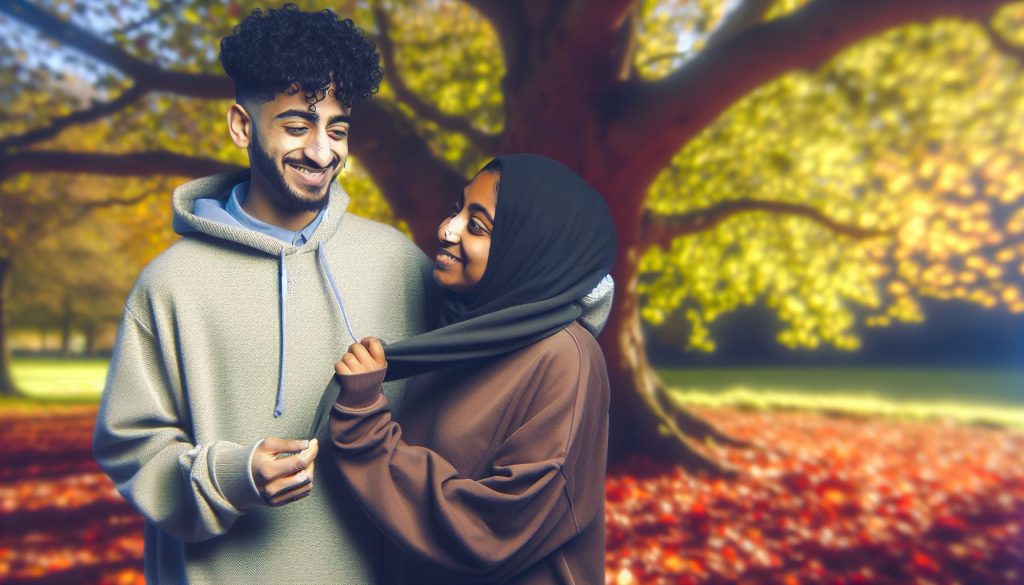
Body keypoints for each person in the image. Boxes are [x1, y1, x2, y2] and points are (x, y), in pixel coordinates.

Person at [92, 5, 432, 583]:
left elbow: (497, 345)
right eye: (297, 126)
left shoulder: (398, 261)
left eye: (338, 129)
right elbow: (130, 446)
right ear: (242, 126)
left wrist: (580, 293)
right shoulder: (170, 282)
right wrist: (233, 475)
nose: (323, 153)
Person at [329, 154, 617, 584]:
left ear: (529, 250)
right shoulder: (460, 334)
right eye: (456, 210)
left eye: (477, 226)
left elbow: (491, 529)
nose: (447, 230)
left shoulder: (565, 359)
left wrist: (364, 426)